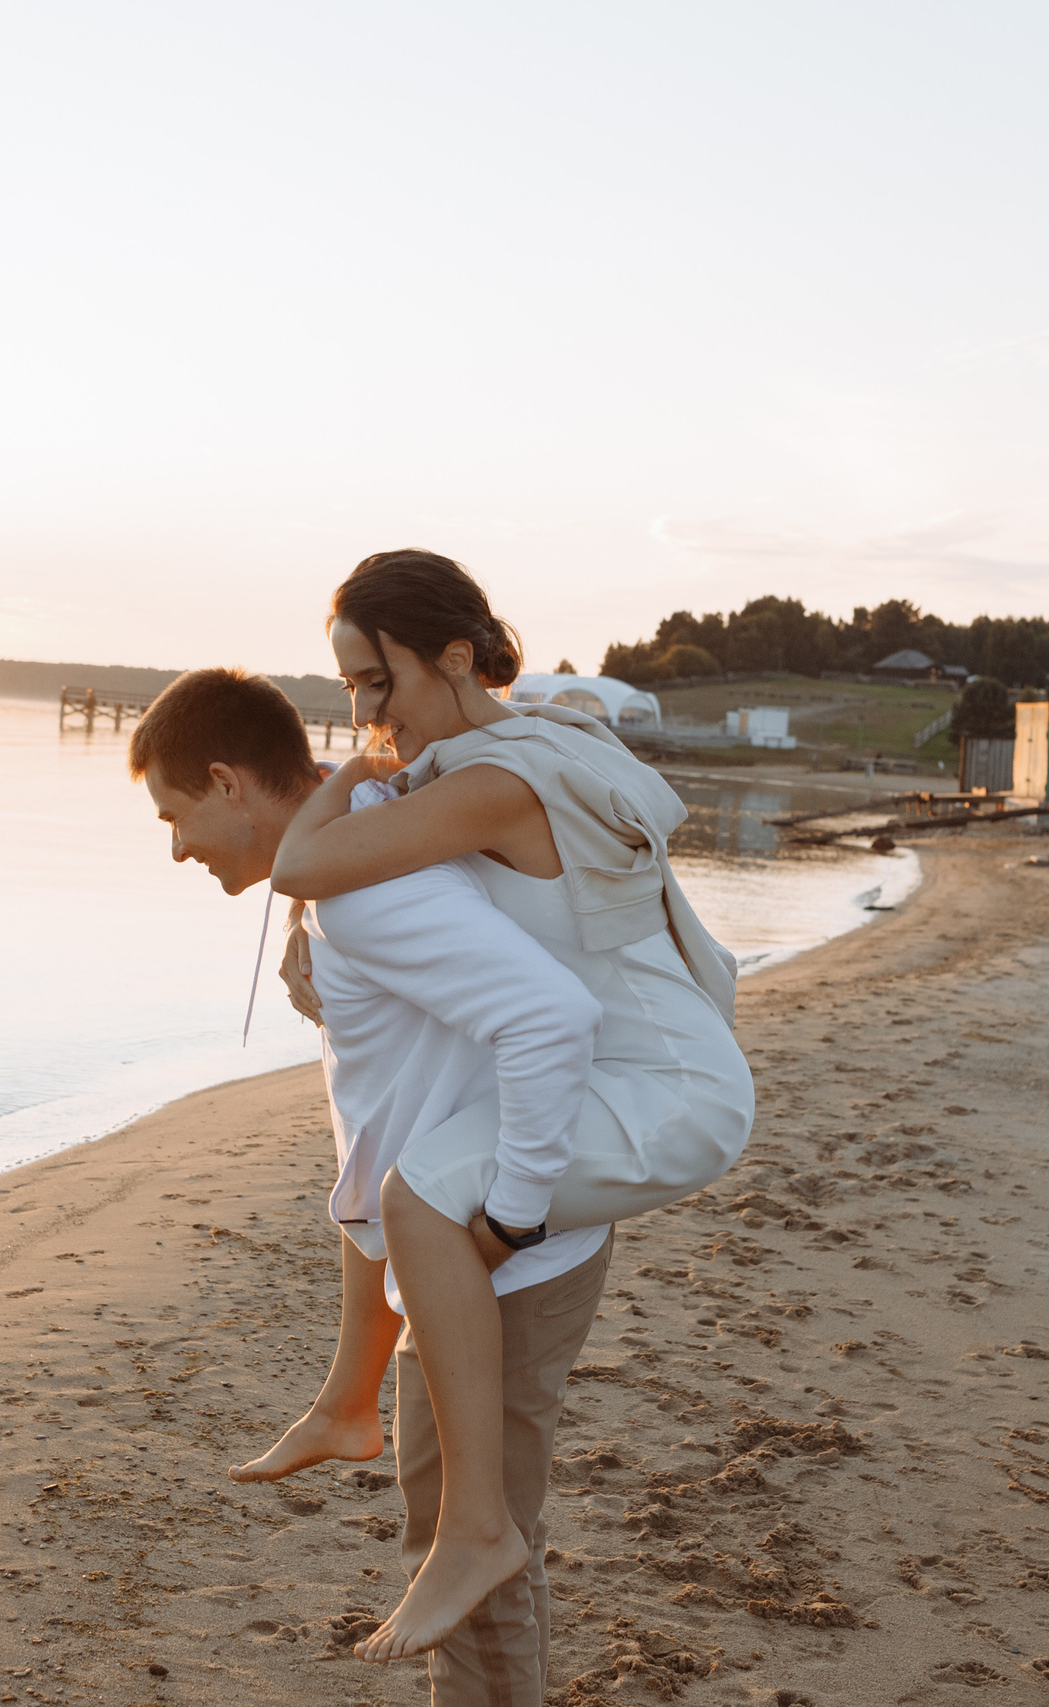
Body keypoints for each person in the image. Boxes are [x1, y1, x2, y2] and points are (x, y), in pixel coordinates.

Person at [271, 549, 753, 1665]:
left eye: (377, 683)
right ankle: (442, 1493)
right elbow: (373, 888)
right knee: (422, 1196)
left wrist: (351, 777)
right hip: (630, 1073)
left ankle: (473, 1529)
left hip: (663, 1089)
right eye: (348, 690)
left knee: (421, 1199)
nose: (368, 712)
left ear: (452, 658)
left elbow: (305, 863)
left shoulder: (495, 779)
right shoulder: (516, 743)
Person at [130, 666, 615, 1705]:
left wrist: (509, 1224)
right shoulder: (358, 852)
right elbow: (406, 1064)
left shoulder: (364, 883)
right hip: (460, 1236)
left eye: (175, 817)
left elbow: (549, 1019)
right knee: (454, 1524)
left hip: (495, 1248)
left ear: (226, 782)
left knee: (471, 1546)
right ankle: (346, 1405)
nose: (175, 848)